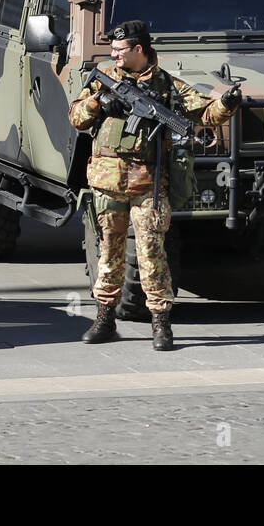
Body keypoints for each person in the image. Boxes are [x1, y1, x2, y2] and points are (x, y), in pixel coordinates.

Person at [69, 20, 241, 350]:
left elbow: (204, 112)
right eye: (112, 50)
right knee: (109, 253)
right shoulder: (105, 78)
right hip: (106, 183)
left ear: (139, 49)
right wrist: (98, 104)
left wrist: (227, 102)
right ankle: (104, 318)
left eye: (120, 50)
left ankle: (161, 324)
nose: (113, 55)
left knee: (151, 254)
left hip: (147, 183)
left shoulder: (167, 86)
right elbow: (76, 117)